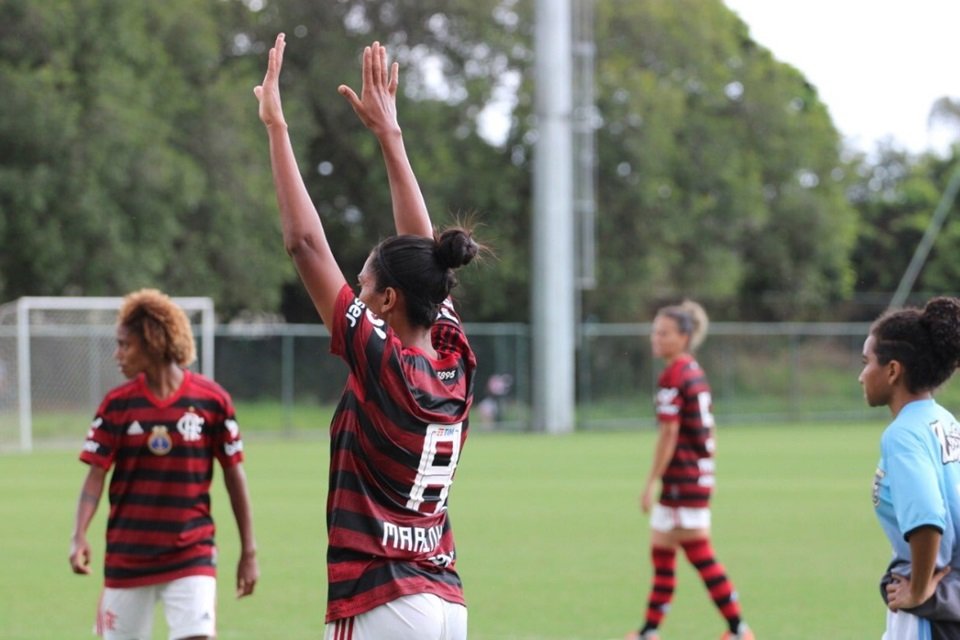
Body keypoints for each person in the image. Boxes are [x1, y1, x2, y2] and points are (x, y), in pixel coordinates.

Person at [254, 34, 481, 640]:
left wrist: (277, 128)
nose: (353, 295)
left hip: (384, 600)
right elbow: (427, 255)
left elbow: (305, 245)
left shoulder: (387, 363)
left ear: (386, 300)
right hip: (446, 600)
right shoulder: (454, 359)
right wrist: (390, 136)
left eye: (363, 285)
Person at [68, 288, 258, 640]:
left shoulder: (212, 401)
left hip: (191, 553)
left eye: (125, 344)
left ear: (152, 342)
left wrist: (249, 550)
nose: (117, 354)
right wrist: (78, 534)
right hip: (128, 557)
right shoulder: (117, 405)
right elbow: (96, 476)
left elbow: (235, 478)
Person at [626, 301, 753, 640]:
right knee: (662, 551)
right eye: (655, 331)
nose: (656, 338)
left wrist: (650, 482)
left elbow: (669, 433)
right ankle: (649, 631)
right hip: (693, 476)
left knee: (699, 554)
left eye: (664, 332)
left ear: (684, 337)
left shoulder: (674, 375)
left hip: (683, 480)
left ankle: (739, 629)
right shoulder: (692, 371)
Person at [862, 296, 960, 639]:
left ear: (892, 370)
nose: (861, 376)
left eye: (867, 362)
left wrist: (918, 589)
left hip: (930, 611)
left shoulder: (902, 435)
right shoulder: (944, 420)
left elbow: (928, 516)